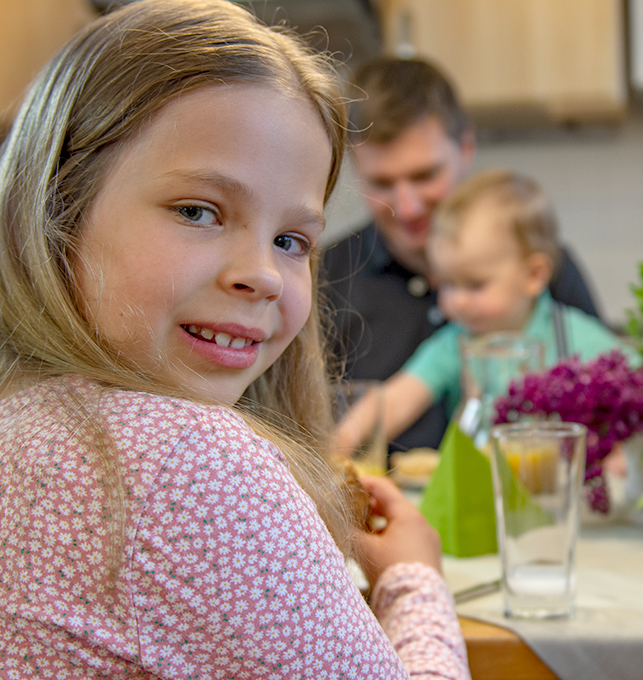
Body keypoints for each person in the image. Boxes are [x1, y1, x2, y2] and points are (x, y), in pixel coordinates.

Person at [0, 1, 469, 677]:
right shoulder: (190, 467)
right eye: (199, 211)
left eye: (290, 240)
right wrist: (414, 581)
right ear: (56, 208)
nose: (264, 276)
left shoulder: (27, 420)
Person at [321, 57, 600, 452]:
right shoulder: (323, 276)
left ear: (466, 147)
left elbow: (611, 393)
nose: (409, 206)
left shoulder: (543, 263)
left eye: (424, 176)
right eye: (382, 183)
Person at [331, 169, 632, 454]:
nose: (457, 302)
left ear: (534, 275)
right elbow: (394, 401)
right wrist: (339, 446)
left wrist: (619, 450)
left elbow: (640, 395)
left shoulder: (576, 337)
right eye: (447, 285)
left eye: (475, 286)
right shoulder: (455, 344)